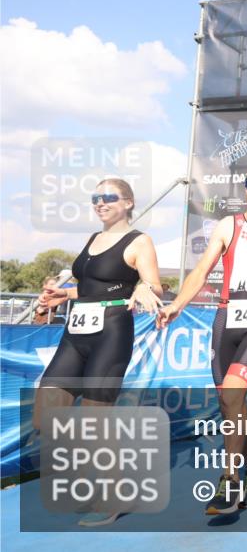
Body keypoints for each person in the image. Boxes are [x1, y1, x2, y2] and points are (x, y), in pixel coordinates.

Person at [158, 164, 247, 516]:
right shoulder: (228, 225)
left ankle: (229, 479)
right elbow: (203, 270)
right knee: (228, 405)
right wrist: (177, 304)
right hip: (226, 316)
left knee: (234, 394)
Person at [33, 178, 164, 527]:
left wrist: (142, 288)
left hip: (112, 332)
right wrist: (63, 295)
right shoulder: (93, 239)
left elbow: (154, 284)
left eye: (109, 197)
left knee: (95, 420)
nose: (100, 203)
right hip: (76, 332)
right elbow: (92, 287)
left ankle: (112, 495)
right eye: (96, 198)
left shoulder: (139, 241)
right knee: (44, 413)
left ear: (129, 202)